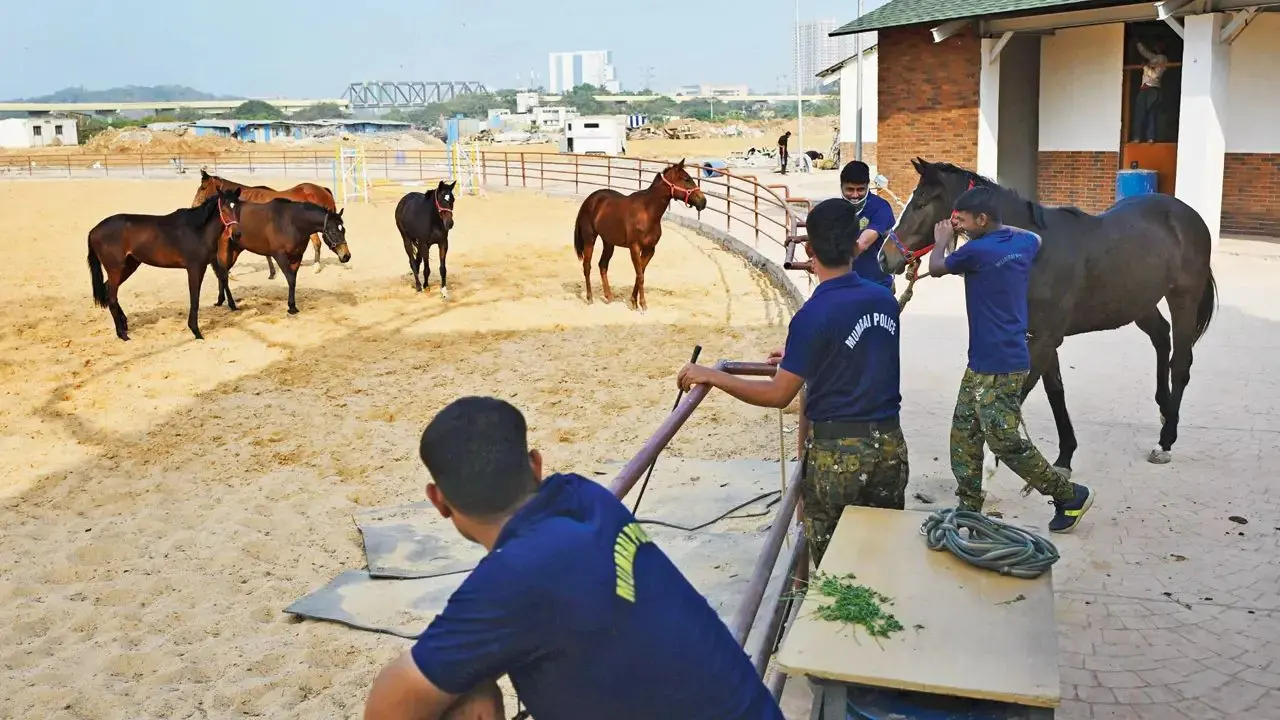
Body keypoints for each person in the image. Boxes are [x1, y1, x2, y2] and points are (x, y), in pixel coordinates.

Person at [362, 396, 785, 720]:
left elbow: (388, 705)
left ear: (437, 501)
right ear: (535, 465)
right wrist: (480, 672)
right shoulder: (584, 497)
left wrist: (475, 675)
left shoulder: (513, 580)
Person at [678, 198, 907, 566]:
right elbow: (864, 351)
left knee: (837, 570)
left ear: (809, 249)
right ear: (855, 245)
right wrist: (805, 358)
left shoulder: (812, 315)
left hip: (838, 456)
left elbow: (778, 394)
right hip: (889, 448)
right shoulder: (884, 300)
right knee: (882, 558)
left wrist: (714, 376)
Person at [926, 186, 1094, 533]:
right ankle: (969, 507)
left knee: (1005, 441)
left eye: (965, 221)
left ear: (983, 220)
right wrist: (982, 228)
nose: (960, 226)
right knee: (964, 433)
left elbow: (937, 267)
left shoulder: (975, 252)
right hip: (988, 361)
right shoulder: (1023, 244)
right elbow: (1030, 234)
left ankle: (1069, 495)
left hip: (998, 365)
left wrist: (942, 238)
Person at [839, 160, 897, 292]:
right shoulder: (835, 208)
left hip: (877, 285)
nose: (855, 195)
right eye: (849, 189)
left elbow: (862, 244)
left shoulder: (880, 207)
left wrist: (827, 259)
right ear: (841, 186)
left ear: (868, 186)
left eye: (860, 190)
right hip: (843, 286)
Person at [1132, 40, 1168, 143]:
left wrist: (1138, 43)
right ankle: (1143, 137)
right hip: (1147, 88)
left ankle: (1145, 137)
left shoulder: (1161, 58)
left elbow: (1147, 54)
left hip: (1151, 88)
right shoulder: (1154, 60)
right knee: (1144, 114)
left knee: (1149, 114)